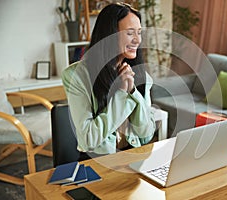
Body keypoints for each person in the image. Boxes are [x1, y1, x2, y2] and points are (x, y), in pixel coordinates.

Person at [61, 2, 156, 160]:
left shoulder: (140, 75)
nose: (137, 40)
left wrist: (133, 92)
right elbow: (88, 140)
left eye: (139, 33)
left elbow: (145, 135)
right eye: (130, 33)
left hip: (133, 158)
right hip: (98, 161)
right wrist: (121, 94)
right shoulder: (76, 76)